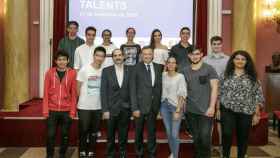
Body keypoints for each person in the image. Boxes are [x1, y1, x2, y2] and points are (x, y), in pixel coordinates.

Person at [218, 50, 264, 158]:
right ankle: (225, 156)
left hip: (246, 111)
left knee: (243, 137)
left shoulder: (253, 77)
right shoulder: (225, 74)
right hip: (227, 110)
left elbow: (258, 95)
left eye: (243, 59)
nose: (240, 61)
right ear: (233, 60)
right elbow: (219, 93)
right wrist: (218, 109)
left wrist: (257, 114)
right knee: (227, 134)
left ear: (247, 62)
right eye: (237, 59)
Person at [181, 48, 219, 158]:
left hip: (206, 111)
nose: (195, 56)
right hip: (190, 110)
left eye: (197, 54)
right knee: (196, 138)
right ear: (189, 56)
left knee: (205, 138)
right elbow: (180, 88)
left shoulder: (209, 69)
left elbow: (215, 88)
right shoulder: (184, 71)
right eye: (192, 54)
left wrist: (212, 107)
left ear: (201, 55)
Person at [43, 50, 77, 158]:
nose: (62, 62)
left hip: (66, 111)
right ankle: (49, 155)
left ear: (68, 61)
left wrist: (72, 112)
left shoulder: (72, 73)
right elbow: (45, 93)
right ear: (55, 61)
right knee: (50, 135)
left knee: (65, 135)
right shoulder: (49, 73)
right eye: (59, 60)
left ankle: (62, 154)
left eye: (64, 59)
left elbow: (74, 93)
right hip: (52, 110)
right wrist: (45, 111)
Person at [130, 46, 163, 158]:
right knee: (138, 132)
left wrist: (158, 107)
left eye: (149, 54)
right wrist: (134, 108)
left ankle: (152, 153)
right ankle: (139, 153)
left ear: (153, 55)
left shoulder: (159, 67)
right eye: (145, 54)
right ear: (141, 55)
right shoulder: (135, 68)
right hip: (139, 107)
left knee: (152, 132)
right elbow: (132, 89)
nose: (147, 56)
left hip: (153, 107)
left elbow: (159, 88)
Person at [101, 49, 133, 158]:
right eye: (115, 55)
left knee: (123, 134)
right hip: (110, 109)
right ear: (113, 58)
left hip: (125, 108)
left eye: (120, 55)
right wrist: (105, 110)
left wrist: (132, 108)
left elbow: (132, 90)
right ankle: (110, 153)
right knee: (110, 135)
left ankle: (122, 153)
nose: (118, 57)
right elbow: (103, 91)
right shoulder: (106, 71)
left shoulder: (130, 70)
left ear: (123, 56)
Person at [76, 46, 106, 158]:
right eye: (97, 55)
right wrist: (83, 100)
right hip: (84, 106)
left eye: (102, 56)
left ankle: (91, 151)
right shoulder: (85, 69)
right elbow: (78, 87)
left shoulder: (104, 71)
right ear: (94, 56)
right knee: (83, 130)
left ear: (104, 58)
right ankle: (82, 151)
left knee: (94, 131)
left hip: (98, 107)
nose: (99, 58)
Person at [203, 36, 229, 155]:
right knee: (208, 123)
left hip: (223, 96)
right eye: (214, 44)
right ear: (211, 45)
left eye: (218, 44)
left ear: (221, 45)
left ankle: (221, 147)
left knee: (221, 123)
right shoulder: (205, 59)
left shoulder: (228, 59)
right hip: (208, 95)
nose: (216, 46)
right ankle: (208, 147)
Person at [160, 56, 187, 158]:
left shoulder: (180, 76)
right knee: (168, 132)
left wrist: (178, 110)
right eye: (169, 62)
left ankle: (175, 156)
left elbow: (182, 94)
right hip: (164, 106)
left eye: (173, 62)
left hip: (176, 106)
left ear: (176, 65)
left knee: (174, 134)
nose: (171, 64)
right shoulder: (163, 75)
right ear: (166, 64)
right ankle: (173, 153)